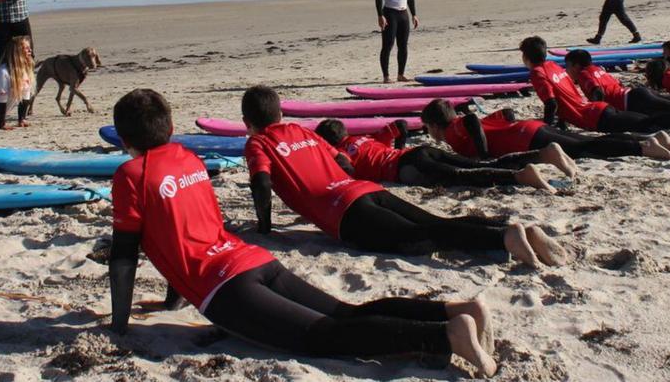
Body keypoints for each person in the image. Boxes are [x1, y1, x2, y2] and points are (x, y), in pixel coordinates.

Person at [108, 88, 500, 376]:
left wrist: (119, 323)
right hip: (253, 260)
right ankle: (454, 311)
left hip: (225, 288)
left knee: (324, 336)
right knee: (347, 313)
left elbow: (125, 255)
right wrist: (171, 302)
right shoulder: (188, 159)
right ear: (172, 127)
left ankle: (444, 336)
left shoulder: (130, 176)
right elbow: (185, 230)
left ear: (124, 138)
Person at [242, 85, 567, 268]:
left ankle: (504, 238)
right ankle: (512, 229)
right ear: (281, 113)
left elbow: (262, 182)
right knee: (431, 220)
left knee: (421, 237)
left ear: (248, 122)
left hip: (344, 211)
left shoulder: (257, 142)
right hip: (364, 189)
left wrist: (265, 226)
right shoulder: (301, 131)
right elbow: (345, 162)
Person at [520, 36, 670, 133]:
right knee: (667, 110)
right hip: (622, 99)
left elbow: (554, 102)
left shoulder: (551, 74)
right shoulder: (561, 68)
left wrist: (549, 127)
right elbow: (566, 99)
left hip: (611, 108)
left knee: (652, 122)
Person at [314, 118, 575, 191]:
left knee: (461, 176)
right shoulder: (366, 138)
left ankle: (520, 177)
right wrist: (396, 148)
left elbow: (345, 170)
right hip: (419, 151)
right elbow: (399, 126)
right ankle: (543, 155)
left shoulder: (339, 152)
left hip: (408, 168)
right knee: (478, 165)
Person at [420, 99, 670, 162]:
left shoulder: (454, 130)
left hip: (528, 137)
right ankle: (651, 139)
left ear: (433, 125)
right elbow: (507, 113)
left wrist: (484, 153)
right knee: (587, 140)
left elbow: (473, 121)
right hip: (529, 128)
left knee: (584, 148)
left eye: (426, 128)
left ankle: (642, 147)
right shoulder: (457, 130)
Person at [376, 0, 419, 83]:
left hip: (403, 14)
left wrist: (414, 14)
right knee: (387, 45)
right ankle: (386, 76)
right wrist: (380, 15)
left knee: (403, 45)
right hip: (390, 13)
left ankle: (401, 74)